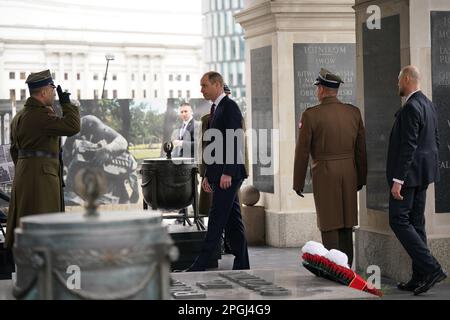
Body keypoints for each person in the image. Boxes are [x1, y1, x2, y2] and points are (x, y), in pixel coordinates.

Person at [293, 68, 367, 267]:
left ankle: (335, 268)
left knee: (329, 223)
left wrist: (298, 182)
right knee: (346, 223)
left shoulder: (311, 115)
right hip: (349, 172)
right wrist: (361, 178)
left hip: (325, 173)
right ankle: (347, 267)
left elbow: (302, 152)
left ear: (323, 90)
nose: (317, 91)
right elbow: (361, 150)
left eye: (318, 87)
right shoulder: (353, 112)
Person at [387, 65, 447, 295]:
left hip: (409, 178)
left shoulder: (412, 106)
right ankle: (419, 275)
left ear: (408, 79)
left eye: (399, 80)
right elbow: (436, 141)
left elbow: (408, 146)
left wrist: (398, 180)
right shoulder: (429, 104)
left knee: (398, 220)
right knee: (416, 223)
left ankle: (431, 268)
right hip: (423, 175)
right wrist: (427, 169)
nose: (398, 84)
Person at [5, 69, 80, 248]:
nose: (54, 94)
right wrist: (66, 103)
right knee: (44, 225)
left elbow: (14, 151)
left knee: (27, 220)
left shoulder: (19, 116)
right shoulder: (41, 115)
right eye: (53, 90)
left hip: (26, 175)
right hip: (42, 178)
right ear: (44, 91)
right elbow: (73, 126)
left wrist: (27, 168)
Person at [186, 71, 249, 271]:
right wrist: (208, 175)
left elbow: (234, 140)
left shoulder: (229, 107)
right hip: (219, 173)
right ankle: (242, 264)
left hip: (228, 175)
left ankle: (200, 264)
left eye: (204, 85)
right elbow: (215, 145)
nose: (201, 90)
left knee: (216, 220)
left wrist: (227, 173)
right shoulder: (217, 108)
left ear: (217, 85)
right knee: (232, 222)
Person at [63, 114, 139, 204]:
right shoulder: (68, 138)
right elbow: (67, 165)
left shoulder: (90, 122)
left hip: (111, 164)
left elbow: (122, 141)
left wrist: (108, 149)